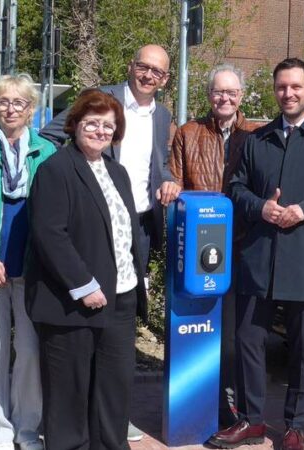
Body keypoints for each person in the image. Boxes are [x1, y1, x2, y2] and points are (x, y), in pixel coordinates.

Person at [208, 58, 304, 450]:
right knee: (248, 342)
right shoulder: (257, 140)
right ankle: (252, 420)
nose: (288, 93)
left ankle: (295, 426)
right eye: (281, 87)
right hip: (259, 261)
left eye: (295, 87)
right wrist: (260, 206)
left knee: (303, 352)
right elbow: (236, 189)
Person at [40, 43, 176, 441]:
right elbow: (50, 134)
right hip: (84, 228)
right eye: (143, 67)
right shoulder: (102, 102)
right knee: (76, 359)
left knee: (115, 359)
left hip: (133, 226)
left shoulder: (162, 114)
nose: (149, 76)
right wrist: (69, 179)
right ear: (131, 66)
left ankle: (109, 429)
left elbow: (156, 163)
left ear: (166, 80)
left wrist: (167, 179)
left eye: (158, 72)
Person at [26, 89, 147, 450]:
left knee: (114, 389)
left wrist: (138, 278)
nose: (100, 131)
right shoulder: (56, 169)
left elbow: (125, 233)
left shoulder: (117, 172)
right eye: (91, 123)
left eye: (108, 125)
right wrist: (84, 285)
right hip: (74, 303)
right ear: (75, 124)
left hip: (120, 299)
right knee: (69, 396)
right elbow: (50, 235)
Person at [166, 63, 260, 426]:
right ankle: (198, 404)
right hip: (196, 250)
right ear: (209, 95)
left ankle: (229, 407)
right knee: (200, 328)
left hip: (240, 246)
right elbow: (173, 182)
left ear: (241, 96)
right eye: (218, 91)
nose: (225, 98)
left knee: (236, 334)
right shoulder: (188, 133)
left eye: (232, 92)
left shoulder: (255, 136)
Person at [0, 74, 57, 450]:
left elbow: (56, 215)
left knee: (30, 354)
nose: (10, 109)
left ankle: (26, 429)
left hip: (31, 270)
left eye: (19, 102)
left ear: (32, 110)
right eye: (3, 101)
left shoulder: (48, 152)